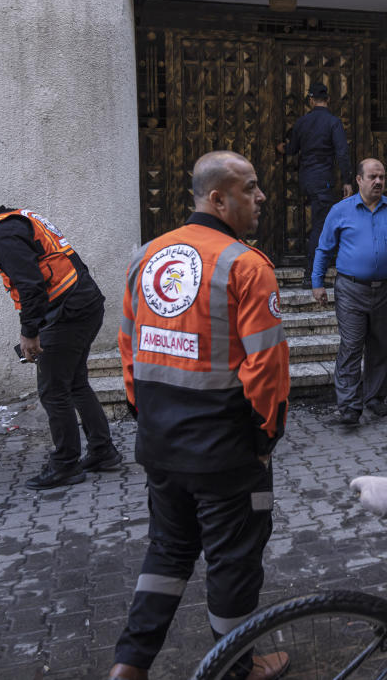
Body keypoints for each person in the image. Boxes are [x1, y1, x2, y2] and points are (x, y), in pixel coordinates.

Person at [109, 151, 290, 680]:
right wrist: (265, 440)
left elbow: (129, 350)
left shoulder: (147, 256)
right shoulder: (246, 265)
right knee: (233, 562)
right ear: (218, 198)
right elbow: (267, 368)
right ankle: (238, 668)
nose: (261, 198)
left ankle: (129, 664)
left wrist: (148, 421)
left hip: (162, 446)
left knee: (167, 552)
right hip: (228, 452)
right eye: (250, 188)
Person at [0, 207, 119, 490]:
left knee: (53, 392)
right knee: (75, 383)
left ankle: (66, 465)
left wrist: (30, 334)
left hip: (68, 311)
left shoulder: (2, 236)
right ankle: (103, 452)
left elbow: (30, 286)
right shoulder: (15, 219)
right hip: (84, 303)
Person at [311, 158, 387, 426]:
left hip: (385, 290)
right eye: (372, 176)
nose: (378, 181)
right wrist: (317, 282)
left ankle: (375, 398)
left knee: (382, 347)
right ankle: (348, 406)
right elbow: (324, 249)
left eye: (381, 176)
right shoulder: (340, 211)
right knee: (351, 346)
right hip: (350, 289)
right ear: (359, 180)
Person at [277, 81, 353, 274]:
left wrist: (281, 148)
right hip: (323, 180)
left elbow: (292, 148)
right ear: (328, 99)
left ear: (311, 100)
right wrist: (347, 180)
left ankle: (311, 266)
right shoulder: (333, 122)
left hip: (304, 179)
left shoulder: (301, 122)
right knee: (320, 224)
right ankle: (312, 273)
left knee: (313, 221)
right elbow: (342, 152)